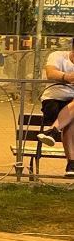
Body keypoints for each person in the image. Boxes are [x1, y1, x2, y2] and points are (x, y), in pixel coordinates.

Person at [36, 39, 74, 177]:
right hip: (53, 102)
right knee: (71, 121)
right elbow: (50, 73)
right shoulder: (57, 55)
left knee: (71, 121)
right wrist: (67, 77)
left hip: (71, 104)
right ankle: (71, 165)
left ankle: (52, 131)